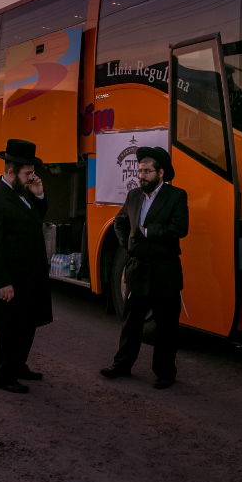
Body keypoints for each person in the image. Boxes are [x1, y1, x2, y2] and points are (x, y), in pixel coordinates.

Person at [100, 147, 188, 389]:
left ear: (161, 173)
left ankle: (165, 373)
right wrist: (128, 246)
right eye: (140, 171)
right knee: (131, 322)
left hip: (164, 271)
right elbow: (120, 221)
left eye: (147, 171)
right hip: (138, 268)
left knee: (166, 326)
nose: (142, 175)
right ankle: (122, 366)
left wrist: (148, 232)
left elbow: (181, 228)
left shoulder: (177, 196)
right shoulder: (134, 196)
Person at [0, 139, 51, 394]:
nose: (32, 177)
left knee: (28, 323)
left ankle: (18, 366)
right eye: (28, 173)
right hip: (12, 277)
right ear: (10, 170)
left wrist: (39, 193)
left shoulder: (24, 192)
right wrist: (3, 282)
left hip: (31, 274)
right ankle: (2, 376)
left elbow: (36, 218)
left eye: (32, 172)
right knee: (10, 328)